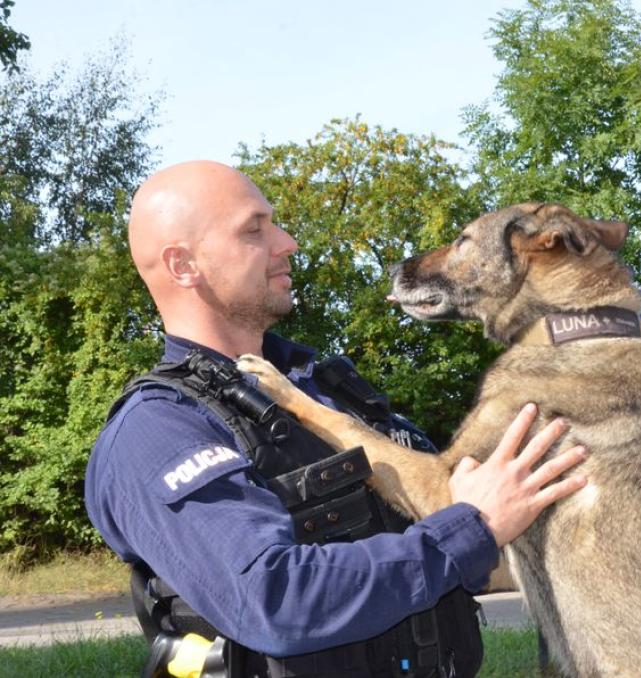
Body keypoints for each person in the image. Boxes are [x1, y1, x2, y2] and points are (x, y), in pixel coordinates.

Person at [85, 160, 588, 677]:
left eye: (275, 224)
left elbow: (466, 537)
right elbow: (275, 598)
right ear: (183, 265)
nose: (288, 243)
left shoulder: (329, 391)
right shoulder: (157, 429)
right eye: (254, 230)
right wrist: (471, 527)